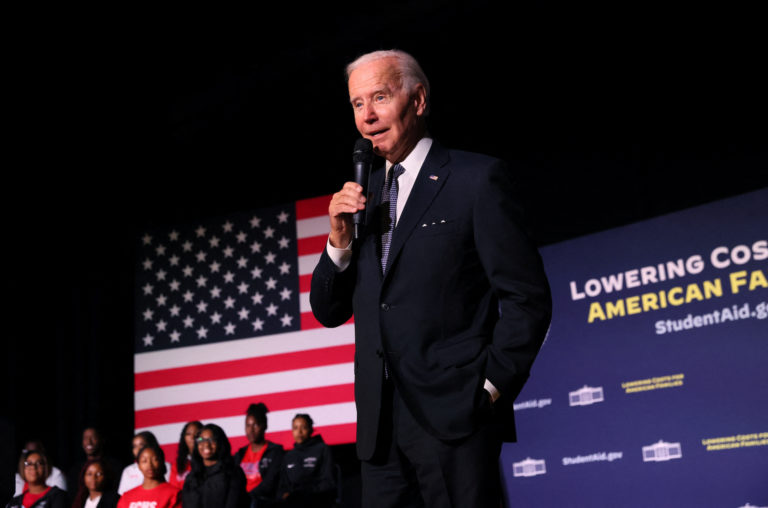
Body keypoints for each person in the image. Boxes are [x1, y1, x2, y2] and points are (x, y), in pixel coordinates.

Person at [309, 49, 552, 507]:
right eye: (357, 104)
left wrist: (488, 388)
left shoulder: (475, 180)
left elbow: (528, 298)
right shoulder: (363, 196)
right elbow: (327, 310)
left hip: (456, 418)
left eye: (379, 97)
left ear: (418, 100)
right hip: (379, 431)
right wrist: (338, 240)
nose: (367, 116)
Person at [276, 414, 336, 508]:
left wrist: (308, 492)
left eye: (303, 427)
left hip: (317, 499)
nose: (299, 432)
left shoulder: (322, 449)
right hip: (293, 501)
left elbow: (328, 482)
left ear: (311, 429)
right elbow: (282, 487)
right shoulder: (288, 456)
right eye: (295, 428)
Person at [182, 423, 248, 508]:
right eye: (201, 439)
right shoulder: (191, 478)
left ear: (220, 443)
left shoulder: (233, 474)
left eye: (211, 440)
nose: (206, 444)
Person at [233, 403, 284, 506]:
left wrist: (246, 497)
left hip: (262, 501)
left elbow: (269, 484)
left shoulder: (275, 451)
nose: (251, 430)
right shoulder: (240, 454)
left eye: (255, 425)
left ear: (264, 426)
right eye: (248, 425)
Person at [67, 428, 122, 495]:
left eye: (93, 437)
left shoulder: (114, 466)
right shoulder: (76, 469)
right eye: (85, 438)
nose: (89, 442)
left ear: (101, 440)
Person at [169, 420, 202, 489]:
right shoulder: (177, 466)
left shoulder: (209, 462)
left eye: (197, 434)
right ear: (184, 438)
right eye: (188, 434)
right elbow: (173, 489)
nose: (193, 437)